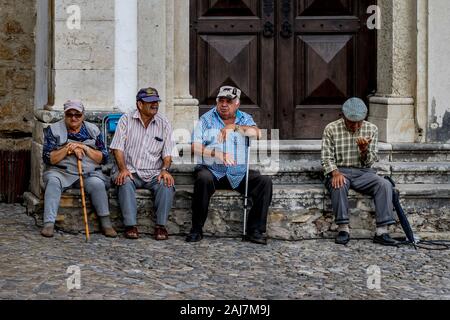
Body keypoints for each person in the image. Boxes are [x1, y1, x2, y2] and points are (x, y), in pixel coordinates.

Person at [186, 86, 273, 245]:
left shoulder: (244, 118)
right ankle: (196, 229)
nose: (224, 104)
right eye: (221, 100)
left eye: (229, 101)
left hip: (237, 171)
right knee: (203, 179)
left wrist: (234, 127)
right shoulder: (206, 119)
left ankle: (255, 230)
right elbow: (194, 146)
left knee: (264, 182)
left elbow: (257, 133)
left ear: (237, 104)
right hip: (212, 171)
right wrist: (216, 154)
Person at [321, 97, 398, 246]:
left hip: (364, 172)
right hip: (340, 170)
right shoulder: (331, 128)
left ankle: (382, 232)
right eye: (351, 122)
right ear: (343, 116)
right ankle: (343, 229)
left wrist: (364, 151)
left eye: (359, 122)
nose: (356, 126)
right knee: (339, 184)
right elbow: (326, 157)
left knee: (384, 185)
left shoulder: (372, 129)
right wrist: (335, 172)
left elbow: (370, 162)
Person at [41, 100, 116, 238]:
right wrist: (68, 149)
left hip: (88, 172)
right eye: (70, 114)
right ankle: (49, 223)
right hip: (61, 171)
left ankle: (106, 224)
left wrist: (85, 148)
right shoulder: (53, 130)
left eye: (78, 114)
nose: (74, 118)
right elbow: (48, 158)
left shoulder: (93, 130)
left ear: (83, 116)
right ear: (65, 115)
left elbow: (104, 157)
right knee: (52, 181)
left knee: (97, 184)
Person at [110, 87, 176, 240]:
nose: (155, 105)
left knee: (167, 183)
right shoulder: (126, 120)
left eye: (156, 102)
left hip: (153, 172)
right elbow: (117, 148)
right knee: (123, 181)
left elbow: (168, 153)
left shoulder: (164, 123)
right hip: (130, 169)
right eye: (150, 102)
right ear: (139, 104)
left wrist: (165, 169)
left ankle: (161, 226)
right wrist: (123, 169)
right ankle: (130, 225)